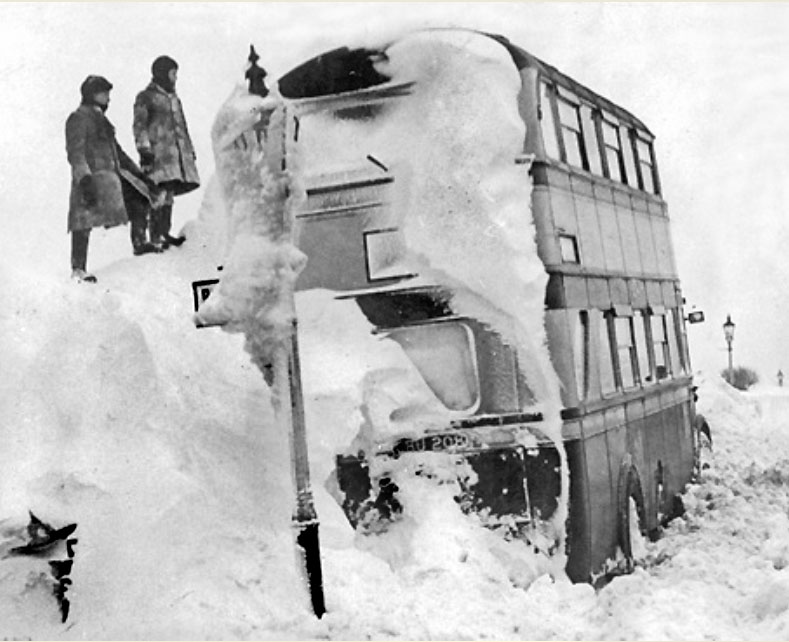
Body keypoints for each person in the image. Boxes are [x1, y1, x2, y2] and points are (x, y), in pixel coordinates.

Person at [66, 75, 159, 283]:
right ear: (93, 95)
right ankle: (78, 269)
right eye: (104, 93)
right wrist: (84, 179)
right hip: (92, 178)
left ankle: (139, 243)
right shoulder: (78, 118)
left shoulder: (101, 119)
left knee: (140, 196)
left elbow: (119, 153)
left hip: (112, 178)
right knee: (83, 222)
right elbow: (75, 152)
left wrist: (139, 175)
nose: (109, 97)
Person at [133, 55, 200, 250]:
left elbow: (182, 127)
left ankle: (163, 232)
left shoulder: (174, 99)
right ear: (162, 74)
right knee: (158, 194)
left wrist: (189, 151)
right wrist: (144, 149)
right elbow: (139, 126)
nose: (175, 78)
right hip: (158, 155)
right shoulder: (146, 97)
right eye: (172, 74)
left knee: (169, 192)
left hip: (175, 155)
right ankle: (154, 236)